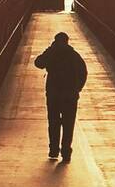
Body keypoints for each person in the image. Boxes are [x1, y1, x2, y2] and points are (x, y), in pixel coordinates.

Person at [34, 31, 88, 161]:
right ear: (67, 41)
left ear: (55, 41)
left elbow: (38, 63)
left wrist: (50, 50)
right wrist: (77, 89)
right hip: (70, 95)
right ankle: (66, 152)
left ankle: (53, 150)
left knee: (53, 122)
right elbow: (83, 72)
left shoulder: (52, 54)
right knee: (68, 124)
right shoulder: (74, 55)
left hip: (53, 94)